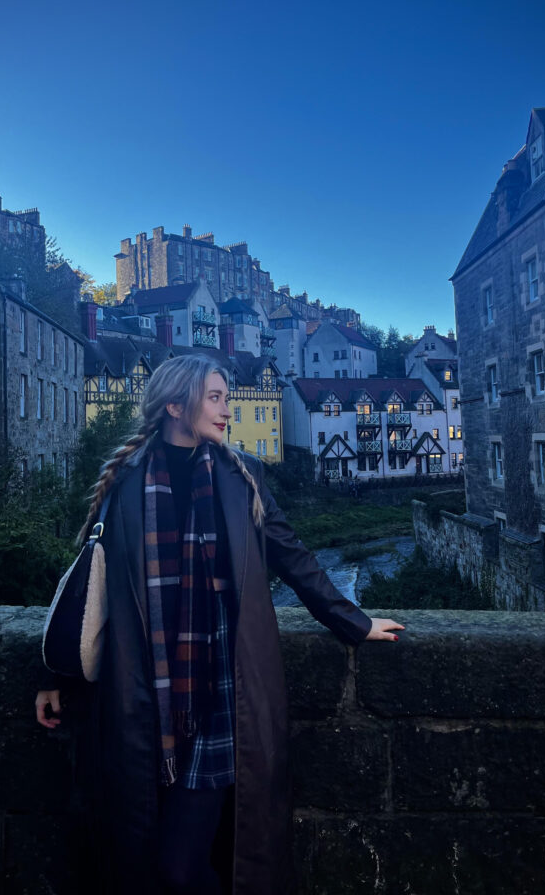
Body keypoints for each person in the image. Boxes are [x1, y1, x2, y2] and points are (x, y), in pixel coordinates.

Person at [36, 354, 403, 895]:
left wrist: (354, 622)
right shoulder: (126, 483)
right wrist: (57, 675)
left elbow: (291, 554)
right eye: (215, 397)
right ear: (175, 406)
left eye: (227, 397)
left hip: (224, 698)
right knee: (147, 859)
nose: (227, 409)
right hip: (146, 699)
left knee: (177, 869)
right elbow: (94, 592)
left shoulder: (241, 476)